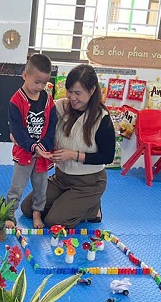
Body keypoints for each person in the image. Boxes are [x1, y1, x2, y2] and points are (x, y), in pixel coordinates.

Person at [21, 64, 116, 228]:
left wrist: (73, 155)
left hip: (89, 183)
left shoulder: (102, 118)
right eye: (69, 91)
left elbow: (107, 156)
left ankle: (92, 209)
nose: (72, 97)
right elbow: (34, 112)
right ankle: (70, 202)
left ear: (92, 90)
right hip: (61, 178)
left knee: (53, 221)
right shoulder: (60, 107)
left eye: (78, 93)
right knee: (28, 208)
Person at [5, 53, 57, 229]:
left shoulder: (48, 100)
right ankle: (9, 213)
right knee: (17, 185)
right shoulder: (16, 101)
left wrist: (44, 146)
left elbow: (52, 126)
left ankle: (37, 213)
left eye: (44, 83)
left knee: (41, 186)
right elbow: (17, 131)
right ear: (25, 75)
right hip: (25, 153)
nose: (40, 87)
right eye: (37, 82)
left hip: (43, 154)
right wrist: (33, 147)